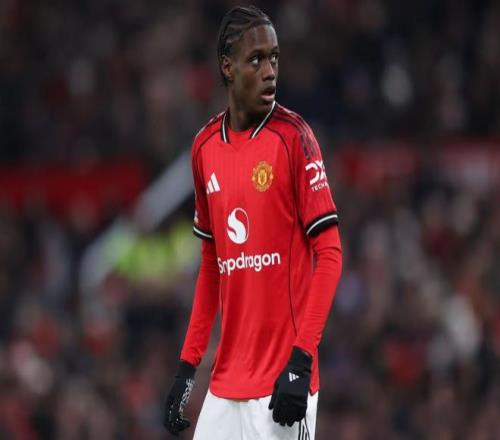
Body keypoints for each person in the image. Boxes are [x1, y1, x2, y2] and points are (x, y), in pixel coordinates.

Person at [164, 5, 342, 439]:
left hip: (282, 382)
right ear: (227, 66)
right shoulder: (205, 148)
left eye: (274, 58)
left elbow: (330, 254)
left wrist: (302, 360)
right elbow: (212, 265)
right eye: (256, 59)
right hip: (226, 385)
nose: (270, 72)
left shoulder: (294, 138)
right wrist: (187, 367)